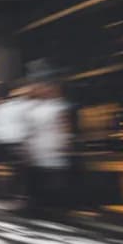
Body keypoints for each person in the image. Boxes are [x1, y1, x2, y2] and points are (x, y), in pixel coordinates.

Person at [23, 80, 73, 212]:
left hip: (50, 148)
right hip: (43, 149)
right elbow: (31, 131)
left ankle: (53, 206)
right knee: (49, 178)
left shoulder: (53, 107)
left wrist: (64, 142)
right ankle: (51, 206)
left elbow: (63, 126)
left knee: (52, 178)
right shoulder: (41, 108)